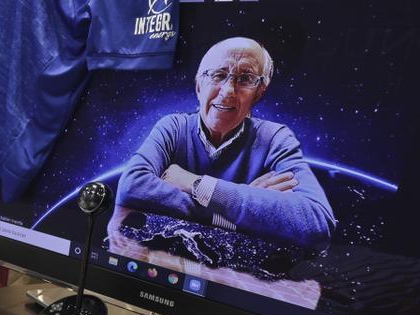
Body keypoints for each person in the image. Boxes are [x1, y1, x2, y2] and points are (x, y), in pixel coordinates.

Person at [112, 37, 336, 249]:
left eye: (245, 79)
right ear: (199, 84)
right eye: (218, 75)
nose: (228, 91)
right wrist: (236, 209)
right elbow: (132, 186)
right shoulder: (173, 127)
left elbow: (316, 222)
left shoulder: (276, 138)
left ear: (259, 93)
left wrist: (196, 184)